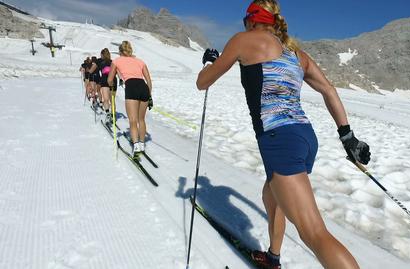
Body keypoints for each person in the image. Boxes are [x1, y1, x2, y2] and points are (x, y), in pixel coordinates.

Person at [196, 1, 371, 269]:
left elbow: (202, 82)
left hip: (279, 139)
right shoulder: (296, 54)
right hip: (303, 137)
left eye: (245, 22)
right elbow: (329, 90)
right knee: (272, 195)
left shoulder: (243, 40)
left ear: (251, 21)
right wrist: (347, 137)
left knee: (314, 232)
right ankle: (273, 257)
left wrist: (209, 62)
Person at [108, 41, 153, 157]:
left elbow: (109, 79)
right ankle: (142, 144)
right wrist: (150, 95)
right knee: (141, 119)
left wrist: (112, 84)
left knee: (132, 120)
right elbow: (148, 80)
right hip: (143, 87)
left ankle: (136, 146)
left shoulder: (116, 61)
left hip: (131, 86)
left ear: (120, 51)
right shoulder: (140, 61)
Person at [90, 48, 117, 123]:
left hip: (105, 80)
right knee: (112, 100)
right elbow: (117, 72)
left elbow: (92, 70)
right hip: (113, 80)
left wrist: (90, 72)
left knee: (106, 99)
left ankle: (108, 113)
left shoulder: (98, 60)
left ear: (102, 54)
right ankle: (113, 115)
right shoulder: (113, 62)